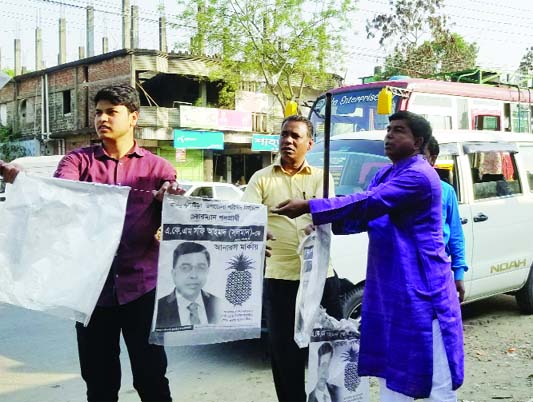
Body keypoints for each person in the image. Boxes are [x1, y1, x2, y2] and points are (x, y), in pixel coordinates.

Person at [272, 111, 464, 401]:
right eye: (388, 129)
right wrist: (325, 222)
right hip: (391, 290)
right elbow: (366, 215)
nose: (389, 135)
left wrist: (310, 206)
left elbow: (370, 202)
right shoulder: (384, 174)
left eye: (399, 130)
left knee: (435, 377)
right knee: (392, 369)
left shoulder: (421, 175)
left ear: (418, 142)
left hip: (423, 290)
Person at [51, 84, 183, 402]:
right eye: (98, 112)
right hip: (92, 293)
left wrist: (171, 200)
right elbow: (58, 194)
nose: (102, 118)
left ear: (133, 117)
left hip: (142, 289)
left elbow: (177, 218)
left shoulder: (158, 168)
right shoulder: (77, 162)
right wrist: (25, 184)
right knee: (99, 384)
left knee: (152, 379)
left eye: (112, 111)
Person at [242, 114, 342, 402]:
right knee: (285, 356)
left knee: (330, 348)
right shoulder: (261, 179)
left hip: (321, 277)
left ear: (309, 143)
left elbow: (330, 215)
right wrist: (256, 236)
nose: (287, 140)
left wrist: (319, 223)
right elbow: (247, 219)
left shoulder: (323, 177)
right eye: (284, 134)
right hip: (280, 278)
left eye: (295, 136)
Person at [425, 137, 469, 302]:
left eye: (422, 157)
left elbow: (456, 234)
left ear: (433, 159)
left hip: (437, 271)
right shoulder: (395, 190)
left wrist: (459, 273)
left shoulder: (446, 191)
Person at [156, 241, 222, 328]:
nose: (194, 275)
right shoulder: (158, 308)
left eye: (201, 267)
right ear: (174, 274)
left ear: (207, 272)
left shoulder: (219, 304)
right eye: (185, 268)